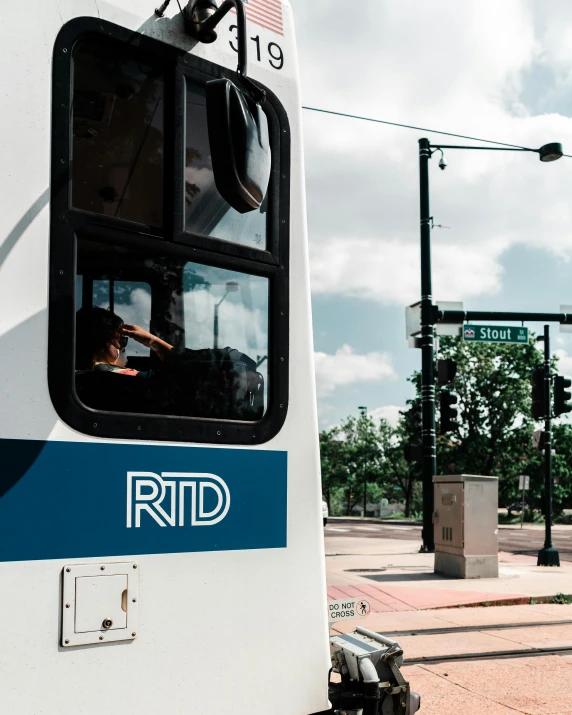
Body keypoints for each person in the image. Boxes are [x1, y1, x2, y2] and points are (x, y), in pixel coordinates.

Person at [75, 306, 172, 376]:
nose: (122, 348)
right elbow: (180, 375)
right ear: (101, 344)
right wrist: (152, 341)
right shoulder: (107, 372)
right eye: (120, 340)